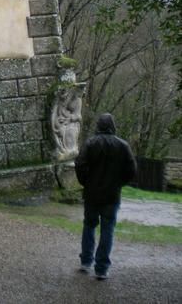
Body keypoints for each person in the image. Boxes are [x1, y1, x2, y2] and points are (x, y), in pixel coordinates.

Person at [74, 112, 137, 280]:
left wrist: (85, 182)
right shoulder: (122, 145)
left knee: (89, 225)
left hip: (92, 194)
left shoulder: (90, 143)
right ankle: (101, 268)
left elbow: (79, 164)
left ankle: (86, 261)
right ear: (112, 126)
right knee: (107, 229)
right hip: (112, 195)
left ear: (98, 126)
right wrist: (119, 182)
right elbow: (132, 170)